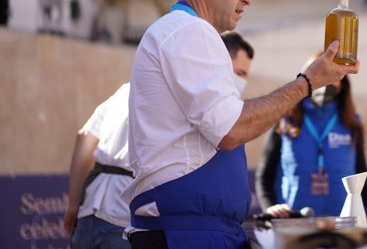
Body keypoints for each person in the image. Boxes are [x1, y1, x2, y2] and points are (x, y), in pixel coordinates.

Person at [124, 0, 358, 249]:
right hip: (185, 234)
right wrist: (307, 82)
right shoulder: (189, 31)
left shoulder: (184, 32)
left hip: (196, 230)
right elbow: (232, 129)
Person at [62, 31, 255, 249]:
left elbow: (84, 140)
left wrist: (72, 205)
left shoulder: (125, 90)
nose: (241, 82)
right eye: (239, 72)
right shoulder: (189, 97)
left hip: (89, 210)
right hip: (125, 215)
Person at [255, 52, 367, 218]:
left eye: (332, 75)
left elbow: (361, 177)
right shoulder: (285, 120)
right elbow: (264, 176)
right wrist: (270, 208)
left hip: (344, 224)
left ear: (342, 82)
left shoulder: (352, 124)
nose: (325, 81)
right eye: (320, 74)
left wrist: (366, 217)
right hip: (295, 224)